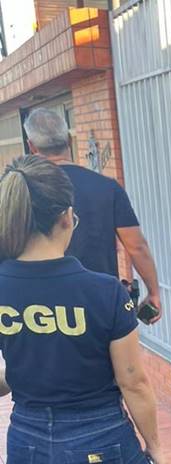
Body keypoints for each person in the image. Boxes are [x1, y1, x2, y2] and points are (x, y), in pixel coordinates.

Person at [0, 155, 171, 464]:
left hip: (28, 448)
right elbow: (134, 382)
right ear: (66, 217)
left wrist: (27, 371)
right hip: (102, 442)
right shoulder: (104, 291)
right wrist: (154, 446)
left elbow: (9, 372)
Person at [23, 108, 162, 323]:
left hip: (43, 311)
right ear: (69, 140)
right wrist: (153, 293)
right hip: (100, 304)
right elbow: (137, 246)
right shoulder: (107, 187)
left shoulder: (22, 191)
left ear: (31, 146)